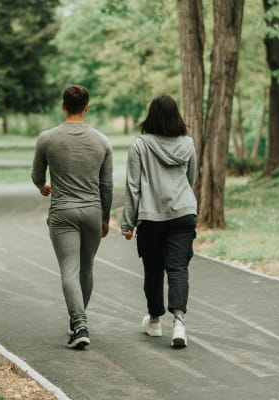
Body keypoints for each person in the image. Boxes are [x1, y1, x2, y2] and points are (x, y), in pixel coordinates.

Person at [31, 85, 113, 349]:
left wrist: (44, 187)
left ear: (63, 106)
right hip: (92, 210)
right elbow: (107, 185)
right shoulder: (102, 141)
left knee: (70, 267)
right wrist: (105, 218)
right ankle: (79, 321)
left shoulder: (47, 138)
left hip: (62, 212)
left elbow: (37, 176)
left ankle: (79, 324)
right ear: (87, 106)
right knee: (86, 266)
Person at [120, 94, 197, 348]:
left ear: (150, 116)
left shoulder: (140, 145)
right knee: (178, 268)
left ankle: (154, 320)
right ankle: (179, 323)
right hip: (184, 212)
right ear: (177, 117)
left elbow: (133, 186)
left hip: (151, 217)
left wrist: (127, 223)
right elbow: (191, 177)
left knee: (153, 270)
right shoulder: (188, 144)